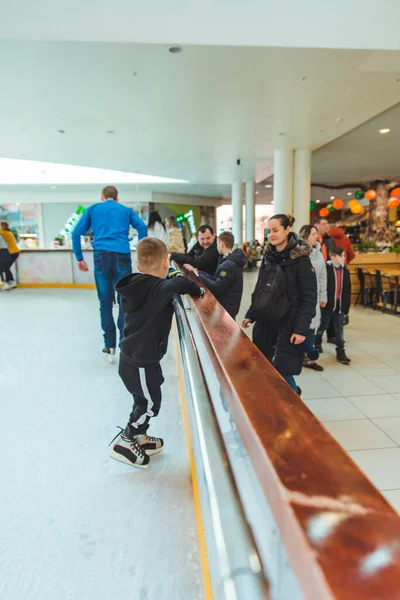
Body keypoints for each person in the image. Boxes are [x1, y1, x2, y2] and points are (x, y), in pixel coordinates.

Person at [109, 238, 203, 468]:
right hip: (141, 361)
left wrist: (168, 274)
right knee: (150, 405)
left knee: (145, 397)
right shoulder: (161, 289)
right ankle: (125, 440)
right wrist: (195, 287)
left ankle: (139, 436)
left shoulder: (136, 286)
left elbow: (168, 284)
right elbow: (186, 285)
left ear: (138, 266)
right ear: (165, 261)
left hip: (135, 358)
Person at [242, 215, 317, 394]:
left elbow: (309, 298)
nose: (271, 234)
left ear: (287, 229)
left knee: (281, 369)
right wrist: (251, 313)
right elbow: (261, 289)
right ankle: (278, 406)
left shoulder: (302, 261)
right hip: (266, 323)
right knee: (266, 366)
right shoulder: (268, 256)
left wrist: (300, 329)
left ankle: (294, 410)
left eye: (275, 230)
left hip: (288, 325)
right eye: (269, 231)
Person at [72, 185, 147, 360]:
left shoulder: (93, 209)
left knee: (105, 302)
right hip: (122, 255)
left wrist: (79, 258)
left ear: (102, 196)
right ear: (117, 198)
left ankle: (109, 346)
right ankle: (123, 342)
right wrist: (140, 252)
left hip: (101, 256)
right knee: (124, 300)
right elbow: (142, 227)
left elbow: (76, 233)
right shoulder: (125, 210)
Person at [185, 231, 246, 320]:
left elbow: (217, 287)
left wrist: (198, 274)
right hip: (228, 307)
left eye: (217, 243)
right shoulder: (228, 261)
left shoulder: (229, 265)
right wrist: (198, 272)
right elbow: (216, 279)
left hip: (227, 309)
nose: (217, 246)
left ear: (221, 244)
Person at [315, 247, 351, 365]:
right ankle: (317, 341)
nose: (344, 258)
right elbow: (322, 286)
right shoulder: (327, 270)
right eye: (342, 256)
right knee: (322, 326)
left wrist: (346, 307)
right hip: (328, 305)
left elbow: (347, 290)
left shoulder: (346, 271)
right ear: (334, 258)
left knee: (339, 330)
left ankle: (340, 351)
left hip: (340, 306)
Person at [299, 224, 328, 372]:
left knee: (312, 327)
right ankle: (297, 356)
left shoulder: (318, 254)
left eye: (316, 234)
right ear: (305, 237)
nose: (316, 236)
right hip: (301, 298)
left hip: (315, 297)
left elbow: (323, 277)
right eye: (312, 234)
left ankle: (309, 358)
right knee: (301, 327)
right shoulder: (298, 254)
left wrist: (323, 296)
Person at [0, 221, 20, 290]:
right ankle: (10, 281)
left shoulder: (4, 233)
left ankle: (8, 282)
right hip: (13, 252)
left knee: (5, 267)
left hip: (10, 252)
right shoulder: (8, 232)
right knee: (5, 267)